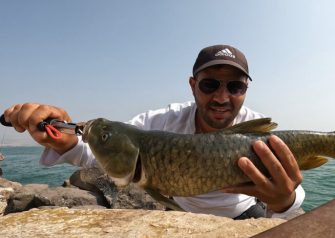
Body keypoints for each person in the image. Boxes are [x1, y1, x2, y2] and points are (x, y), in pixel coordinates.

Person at [3, 44, 305, 219]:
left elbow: (292, 194)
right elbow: (107, 155)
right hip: (180, 215)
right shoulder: (160, 121)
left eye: (235, 86)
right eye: (210, 84)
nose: (222, 97)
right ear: (193, 85)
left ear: (246, 89)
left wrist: (283, 201)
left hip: (245, 214)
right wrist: (64, 140)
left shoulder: (257, 130)